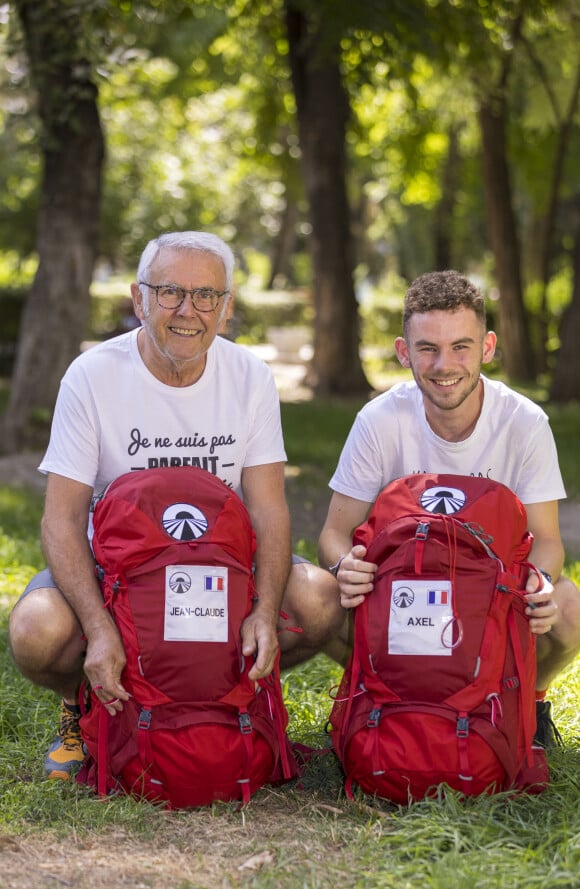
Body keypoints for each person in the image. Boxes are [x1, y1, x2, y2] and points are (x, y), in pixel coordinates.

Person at [9, 231, 343, 780]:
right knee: (36, 630)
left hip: (219, 570)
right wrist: (97, 627)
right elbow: (61, 520)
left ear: (227, 308)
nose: (188, 310)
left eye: (206, 295)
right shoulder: (92, 377)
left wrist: (263, 611)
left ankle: (230, 700)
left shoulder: (250, 377)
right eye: (169, 292)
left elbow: (268, 510)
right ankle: (84, 708)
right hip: (116, 575)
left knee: (317, 600)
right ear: (139, 300)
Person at [318, 269, 580, 748]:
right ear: (403, 352)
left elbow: (546, 541)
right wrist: (344, 566)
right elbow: (333, 536)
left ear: (488, 347)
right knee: (316, 597)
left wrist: (537, 583)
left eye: (461, 346)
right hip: (403, 596)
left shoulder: (523, 422)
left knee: (570, 607)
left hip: (489, 596)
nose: (444, 364)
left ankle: (529, 702)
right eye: (427, 348)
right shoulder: (379, 421)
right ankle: (378, 691)